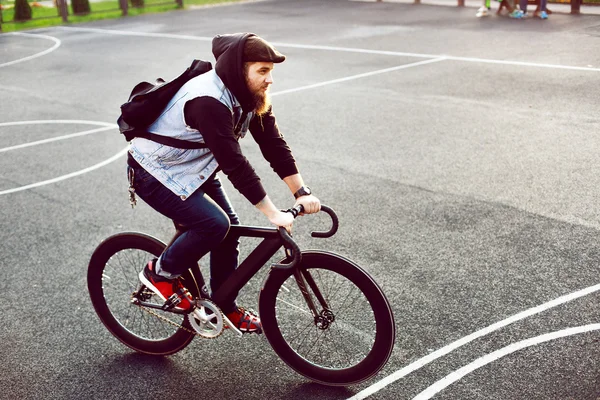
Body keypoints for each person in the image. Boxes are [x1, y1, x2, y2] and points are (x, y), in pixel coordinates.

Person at [126, 33, 321, 333]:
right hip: (154, 171)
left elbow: (273, 143)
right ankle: (159, 274)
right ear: (239, 70)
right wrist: (273, 213)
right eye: (263, 71)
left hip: (194, 169)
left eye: (271, 72)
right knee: (215, 224)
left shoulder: (248, 96)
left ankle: (224, 303)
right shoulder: (208, 101)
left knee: (228, 229)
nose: (270, 80)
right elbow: (234, 163)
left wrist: (301, 191)